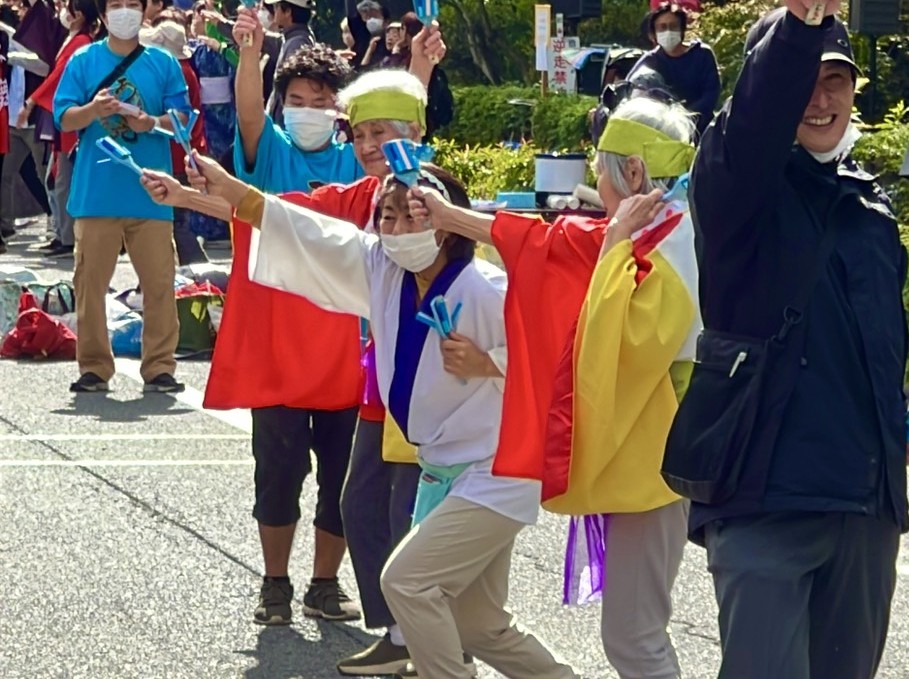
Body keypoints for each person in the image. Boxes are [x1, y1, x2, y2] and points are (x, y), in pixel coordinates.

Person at [140, 36, 451, 677]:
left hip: (434, 381)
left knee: (408, 511)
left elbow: (482, 254)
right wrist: (193, 195)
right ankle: (401, 631)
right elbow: (281, 215)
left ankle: (440, 639)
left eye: (380, 133)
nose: (368, 144)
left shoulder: (435, 194)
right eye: (360, 133)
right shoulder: (355, 194)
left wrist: (420, 69)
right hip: (380, 376)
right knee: (364, 503)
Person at [410, 95, 699, 679]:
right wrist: (450, 217)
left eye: (602, 167)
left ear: (634, 172)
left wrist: (614, 244)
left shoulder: (670, 246)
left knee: (636, 638)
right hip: (642, 462)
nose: (596, 181)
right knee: (634, 635)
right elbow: (546, 244)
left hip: (655, 465)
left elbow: (621, 340)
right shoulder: (658, 229)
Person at [670, 2, 907, 678]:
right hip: (764, 501)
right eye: (803, 80)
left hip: (863, 509)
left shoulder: (870, 208)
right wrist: (799, 30)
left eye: (835, 80)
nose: (819, 99)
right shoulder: (736, 185)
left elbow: (882, 354)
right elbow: (753, 122)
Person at [54, 0, 190, 393]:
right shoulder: (83, 60)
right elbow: (64, 117)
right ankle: (94, 367)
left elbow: (182, 118)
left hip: (152, 193)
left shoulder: (164, 63)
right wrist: (93, 110)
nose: (125, 10)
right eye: (116, 4)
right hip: (96, 194)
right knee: (90, 286)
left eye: (133, 3)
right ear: (103, 12)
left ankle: (160, 366)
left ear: (145, 10)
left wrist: (150, 122)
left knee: (159, 284)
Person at [23, 0, 102, 259]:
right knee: (55, 178)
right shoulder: (75, 39)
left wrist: (33, 100)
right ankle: (62, 233)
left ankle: (67, 238)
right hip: (66, 117)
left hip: (72, 120)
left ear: (78, 14)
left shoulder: (81, 43)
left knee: (62, 180)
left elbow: (58, 77)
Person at [140, 16, 209, 264]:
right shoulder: (185, 69)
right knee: (175, 218)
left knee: (176, 219)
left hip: (176, 153)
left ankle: (195, 268)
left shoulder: (177, 72)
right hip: (183, 151)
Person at [628, 2, 719, 137]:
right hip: (663, 133)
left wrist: (685, 117)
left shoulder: (702, 54)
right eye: (662, 27)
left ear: (682, 29)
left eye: (673, 26)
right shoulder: (650, 60)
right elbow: (629, 88)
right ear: (653, 33)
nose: (668, 31)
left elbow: (711, 94)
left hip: (701, 131)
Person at [259, 0, 315, 126]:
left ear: (288, 11)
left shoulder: (298, 43)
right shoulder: (292, 39)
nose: (274, 10)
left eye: (276, 6)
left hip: (286, 126)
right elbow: (260, 38)